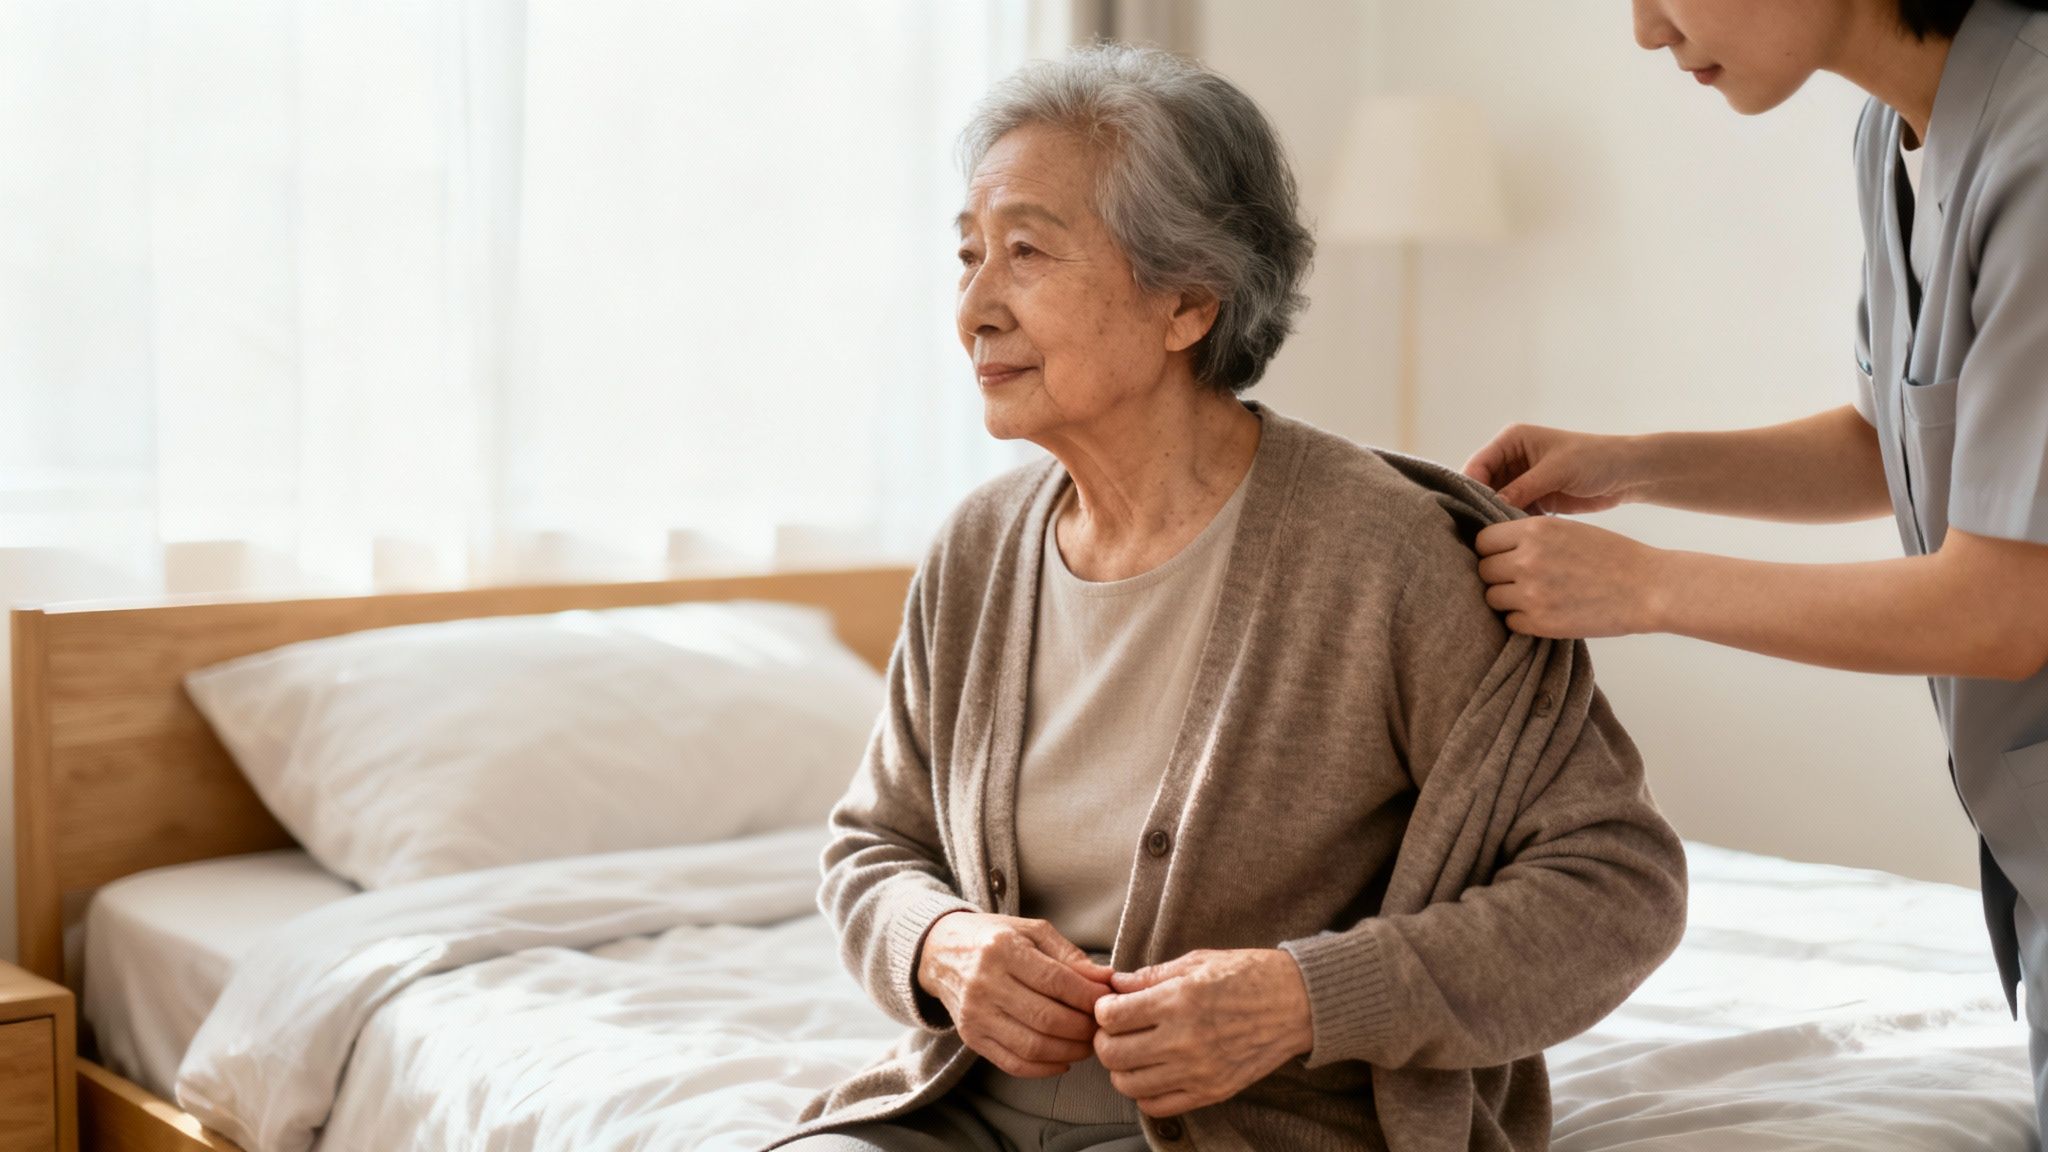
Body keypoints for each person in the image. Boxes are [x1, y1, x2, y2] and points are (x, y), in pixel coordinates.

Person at [769, 43, 1686, 1152]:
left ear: (1187, 305)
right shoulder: (976, 548)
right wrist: (937, 944)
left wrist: (1303, 999)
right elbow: (873, 848)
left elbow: (1612, 887)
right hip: (952, 1114)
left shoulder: (1385, 550)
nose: (972, 309)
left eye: (1024, 254)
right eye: (965, 257)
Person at [1464, 0, 2048, 1130]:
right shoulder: (1896, 137)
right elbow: (1898, 438)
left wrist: (1641, 586)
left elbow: (2004, 607)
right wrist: (1630, 463)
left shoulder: (2037, 145)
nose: (1645, 30)